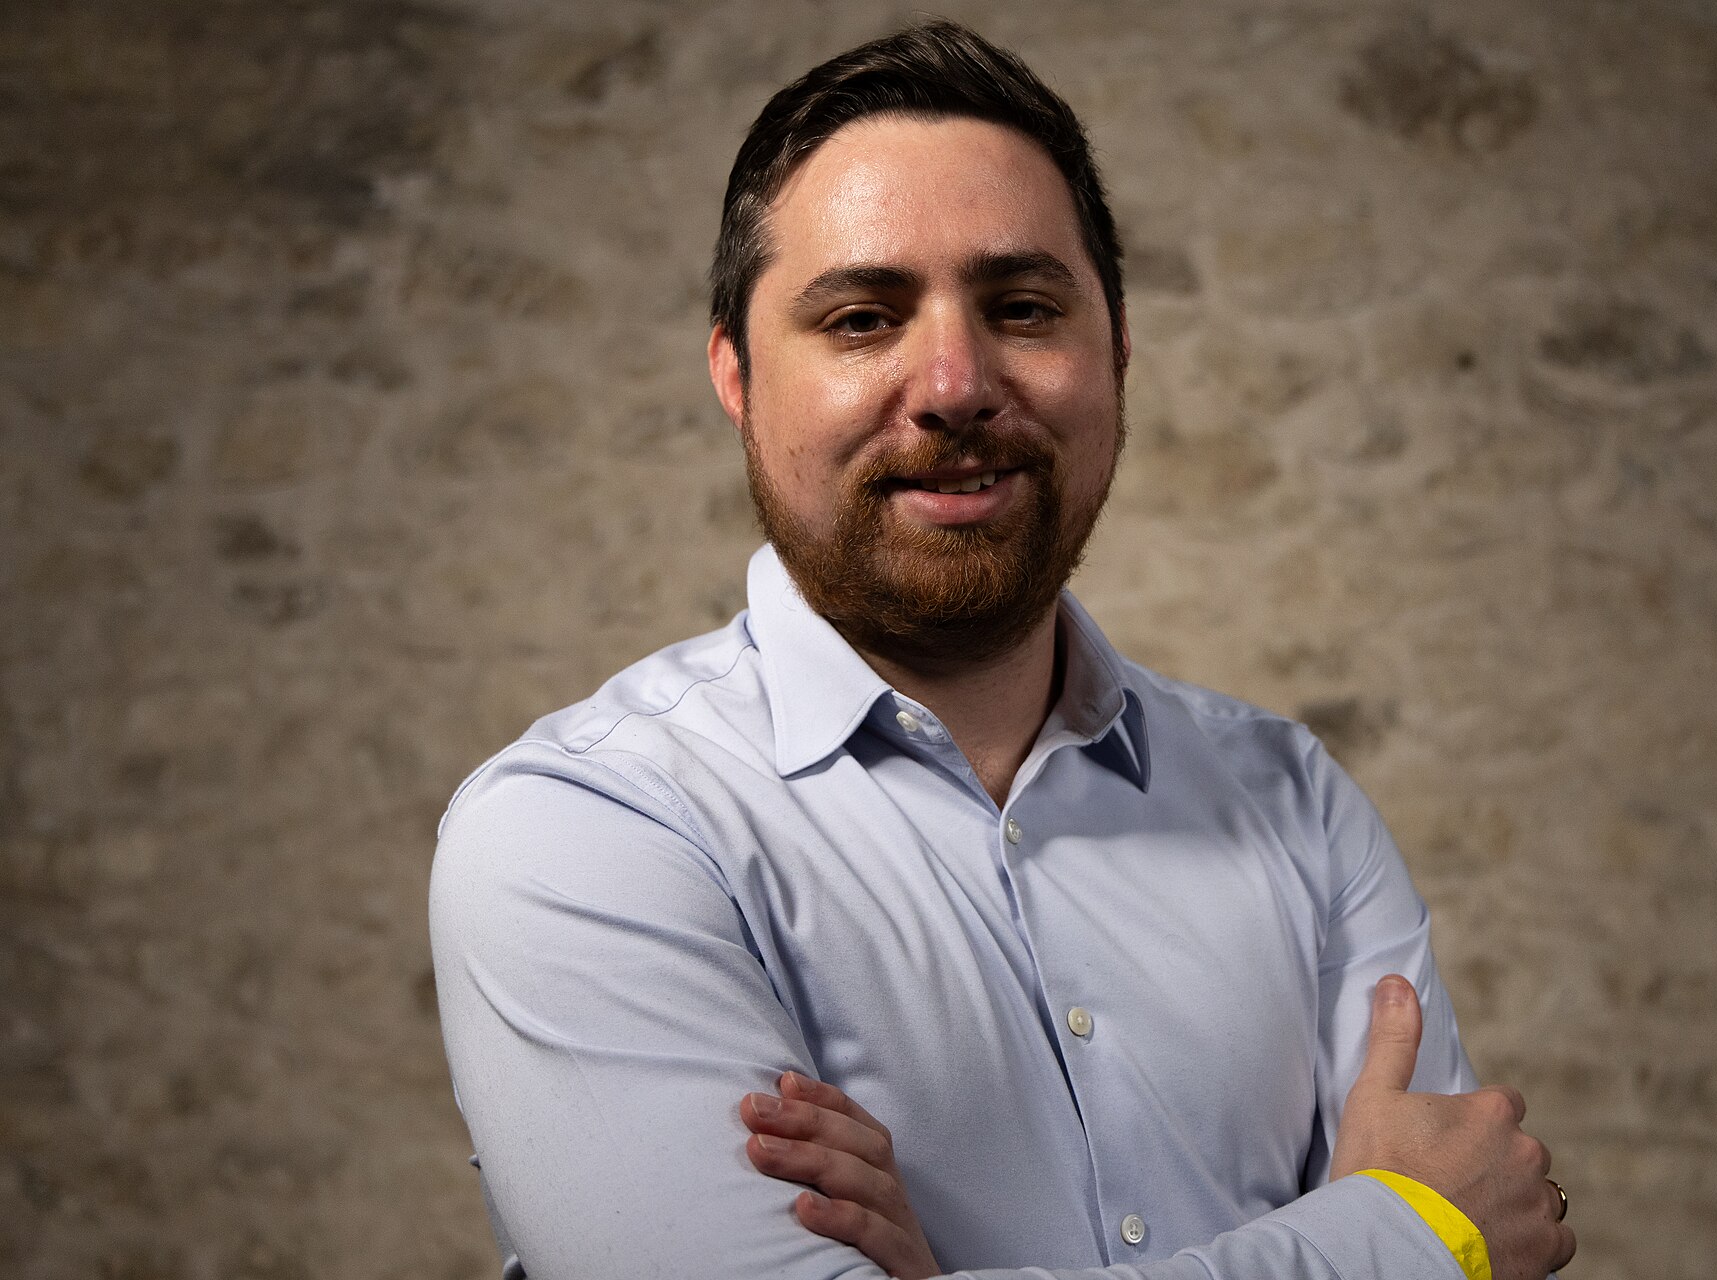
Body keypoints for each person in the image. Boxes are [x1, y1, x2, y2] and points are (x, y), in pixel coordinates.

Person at [429, 19, 1576, 1280]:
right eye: (862, 318)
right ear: (737, 377)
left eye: (1023, 308)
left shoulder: (1295, 805)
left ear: (1117, 351)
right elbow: (1462, 1227)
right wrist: (1408, 1234)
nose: (954, 383)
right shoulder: (583, 831)